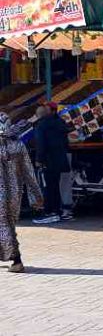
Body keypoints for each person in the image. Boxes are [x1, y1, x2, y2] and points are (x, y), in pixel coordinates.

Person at [0, 112, 44, 273]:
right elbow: (29, 173)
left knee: (3, 225)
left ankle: (16, 260)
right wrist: (36, 197)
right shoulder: (18, 145)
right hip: (15, 194)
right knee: (8, 224)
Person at [32, 104, 72, 224]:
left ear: (38, 115)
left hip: (48, 160)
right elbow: (65, 141)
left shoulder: (41, 126)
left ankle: (50, 212)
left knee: (48, 187)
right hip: (60, 159)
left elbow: (41, 145)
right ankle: (57, 211)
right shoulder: (60, 123)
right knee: (55, 186)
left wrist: (39, 159)